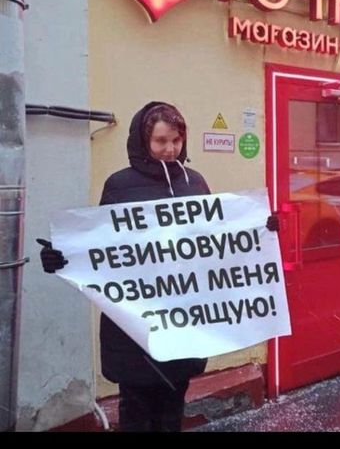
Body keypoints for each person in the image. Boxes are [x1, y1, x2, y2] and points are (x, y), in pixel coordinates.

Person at [38, 101, 279, 432]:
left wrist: (260, 229)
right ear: (143, 141)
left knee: (172, 410)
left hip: (183, 321)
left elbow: (217, 241)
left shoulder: (194, 183)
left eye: (176, 140)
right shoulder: (119, 185)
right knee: (136, 411)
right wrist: (62, 256)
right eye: (161, 141)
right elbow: (100, 248)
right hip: (135, 326)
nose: (170, 149)